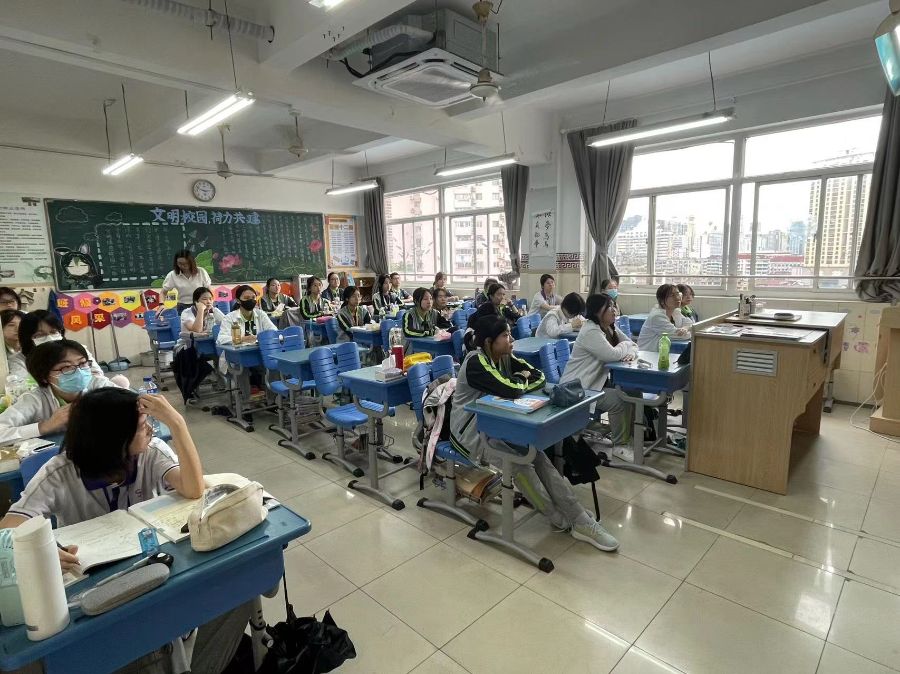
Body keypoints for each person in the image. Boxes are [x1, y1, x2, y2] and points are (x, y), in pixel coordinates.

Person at [0, 387, 251, 674]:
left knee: (227, 593)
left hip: (154, 565)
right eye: (143, 426)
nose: (150, 431)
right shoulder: (60, 472)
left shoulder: (150, 453)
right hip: (95, 583)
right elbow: (7, 531)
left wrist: (178, 424)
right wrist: (43, 553)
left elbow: (194, 489)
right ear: (113, 439)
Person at [449, 315, 619, 552]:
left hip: (501, 425)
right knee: (520, 466)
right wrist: (519, 381)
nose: (511, 339)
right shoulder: (476, 362)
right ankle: (559, 517)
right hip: (471, 434)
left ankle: (577, 516)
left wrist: (518, 382)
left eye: (510, 333)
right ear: (488, 342)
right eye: (505, 335)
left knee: (537, 456)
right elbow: (511, 389)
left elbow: (538, 376)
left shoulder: (505, 356)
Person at [559, 294, 638, 461]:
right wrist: (625, 346)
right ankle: (620, 446)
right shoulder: (591, 331)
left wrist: (629, 351)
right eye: (609, 307)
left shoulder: (609, 327)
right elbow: (612, 354)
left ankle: (629, 438)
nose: (614, 310)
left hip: (595, 384)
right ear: (597, 311)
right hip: (578, 388)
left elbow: (633, 344)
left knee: (632, 391)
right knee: (619, 400)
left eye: (614, 306)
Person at [0, 339, 116, 445]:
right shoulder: (34, 400)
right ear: (44, 376)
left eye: (82, 363)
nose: (79, 371)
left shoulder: (99, 385)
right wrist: (46, 426)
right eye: (66, 367)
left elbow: (127, 406)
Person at [11, 310, 129, 388]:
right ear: (27, 338)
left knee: (120, 382)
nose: (49, 338)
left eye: (53, 332)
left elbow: (96, 374)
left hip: (86, 394)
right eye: (40, 335)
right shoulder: (19, 360)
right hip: (51, 401)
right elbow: (20, 387)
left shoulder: (76, 350)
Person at [637, 283, 693, 351]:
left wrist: (685, 328)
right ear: (662, 301)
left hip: (660, 352)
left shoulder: (675, 311)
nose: (678, 297)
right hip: (647, 353)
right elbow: (678, 335)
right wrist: (691, 331)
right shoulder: (657, 316)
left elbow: (690, 323)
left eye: (678, 294)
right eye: (672, 295)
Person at [160, 249, 212, 314]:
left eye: (186, 263)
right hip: (182, 306)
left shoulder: (201, 272)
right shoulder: (172, 275)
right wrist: (161, 304)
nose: (183, 266)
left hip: (200, 305)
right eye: (180, 263)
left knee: (201, 320)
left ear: (191, 262)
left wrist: (210, 303)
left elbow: (209, 290)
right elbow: (163, 292)